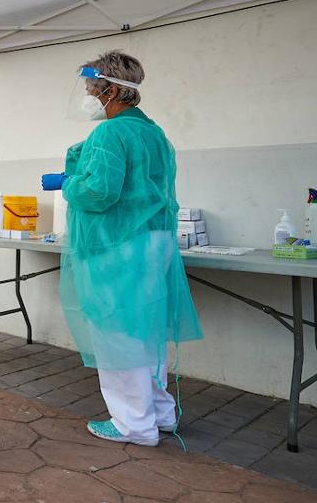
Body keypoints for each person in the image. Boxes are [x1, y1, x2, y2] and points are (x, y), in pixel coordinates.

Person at [41, 50, 203, 445]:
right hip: (154, 241)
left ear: (110, 90)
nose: (88, 96)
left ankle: (134, 424)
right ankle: (160, 414)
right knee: (146, 331)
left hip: (118, 245)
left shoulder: (109, 133)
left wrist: (68, 183)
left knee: (117, 332)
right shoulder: (155, 134)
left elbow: (100, 193)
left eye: (91, 89)